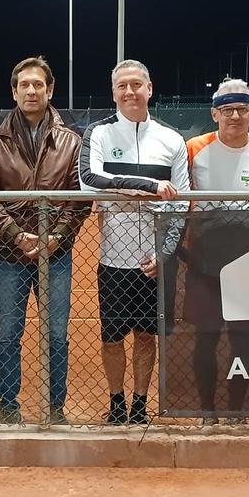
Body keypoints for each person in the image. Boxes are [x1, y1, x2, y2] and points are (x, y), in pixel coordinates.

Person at [0, 56, 90, 425]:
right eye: (23, 85)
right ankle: (8, 408)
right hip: (9, 255)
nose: (31, 90)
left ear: (49, 89)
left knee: (57, 334)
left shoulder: (71, 142)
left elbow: (79, 198)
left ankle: (55, 409)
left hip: (57, 255)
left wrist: (56, 237)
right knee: (9, 333)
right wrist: (16, 235)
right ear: (14, 91)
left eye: (38, 84)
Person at [78, 59, 189, 425]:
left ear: (149, 88)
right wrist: (149, 187)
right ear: (114, 92)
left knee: (146, 335)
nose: (130, 91)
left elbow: (183, 202)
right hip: (113, 258)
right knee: (112, 337)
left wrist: (166, 253)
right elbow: (90, 180)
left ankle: (139, 404)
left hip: (153, 260)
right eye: (122, 86)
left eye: (136, 85)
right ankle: (116, 401)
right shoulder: (98, 133)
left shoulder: (171, 139)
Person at [182, 78, 249, 423]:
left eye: (242, 109)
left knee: (242, 340)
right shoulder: (194, 149)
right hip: (204, 262)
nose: (235, 116)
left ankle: (236, 412)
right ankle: (207, 411)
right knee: (205, 338)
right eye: (227, 109)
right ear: (214, 113)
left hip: (247, 264)